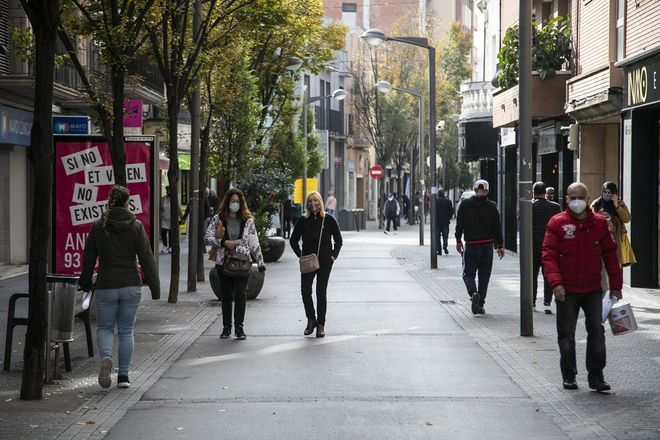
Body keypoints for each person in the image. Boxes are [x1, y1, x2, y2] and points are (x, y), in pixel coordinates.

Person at [542, 182, 622, 392]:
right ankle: (569, 375)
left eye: (580, 197)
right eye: (572, 197)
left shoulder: (599, 223)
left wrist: (616, 286)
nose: (576, 201)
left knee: (596, 330)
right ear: (566, 199)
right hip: (566, 290)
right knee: (566, 334)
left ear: (588, 199)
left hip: (592, 289)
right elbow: (548, 256)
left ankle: (596, 377)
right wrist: (556, 284)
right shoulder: (557, 223)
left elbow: (611, 256)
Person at [79, 185, 160, 389]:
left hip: (106, 284)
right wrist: (155, 286)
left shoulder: (98, 226)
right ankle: (123, 377)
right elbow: (146, 258)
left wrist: (86, 282)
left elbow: (88, 258)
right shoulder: (136, 226)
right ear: (127, 202)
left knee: (105, 327)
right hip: (131, 284)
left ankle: (106, 357)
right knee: (126, 331)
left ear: (109, 202)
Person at [205, 189, 266, 340]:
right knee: (226, 296)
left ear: (241, 203)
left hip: (242, 262)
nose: (235, 204)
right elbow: (207, 237)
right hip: (223, 261)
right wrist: (222, 242)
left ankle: (239, 328)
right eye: (232, 201)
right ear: (227, 201)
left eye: (237, 201)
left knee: (240, 294)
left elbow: (254, 242)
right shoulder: (218, 218)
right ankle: (226, 328)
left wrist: (260, 262)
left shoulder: (248, 220)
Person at [290, 191, 343, 338]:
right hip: (308, 261)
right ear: (307, 204)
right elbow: (293, 240)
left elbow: (339, 240)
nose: (313, 204)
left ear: (320, 202)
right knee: (305, 291)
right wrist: (300, 255)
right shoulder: (302, 220)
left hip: (325, 261)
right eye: (310, 201)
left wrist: (333, 255)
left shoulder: (329, 219)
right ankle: (311, 319)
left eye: (316, 201)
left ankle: (321, 325)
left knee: (321, 292)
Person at [455, 179, 504, 315]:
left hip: (471, 245)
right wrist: (500, 245)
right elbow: (497, 228)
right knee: (484, 276)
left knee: (468, 274)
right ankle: (480, 304)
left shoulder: (465, 205)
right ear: (487, 191)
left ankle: (473, 293)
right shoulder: (492, 206)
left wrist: (458, 241)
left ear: (475, 189)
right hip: (487, 246)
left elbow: (459, 224)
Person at [532, 182, 561, 314]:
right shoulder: (555, 207)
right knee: (548, 275)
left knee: (532, 275)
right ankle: (547, 303)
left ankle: (531, 302)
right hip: (550, 247)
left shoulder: (530, 207)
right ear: (545, 192)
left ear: (534, 192)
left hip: (533, 247)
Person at [591, 181, 635, 267]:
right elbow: (590, 220)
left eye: (610, 192)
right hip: (600, 239)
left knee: (614, 265)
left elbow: (627, 219)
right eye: (605, 192)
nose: (607, 194)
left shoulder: (619, 203)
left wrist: (616, 206)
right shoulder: (596, 204)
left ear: (614, 193)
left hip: (616, 239)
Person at [435, 188, 454, 255]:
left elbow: (433, 212)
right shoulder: (448, 201)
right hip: (445, 222)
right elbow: (451, 211)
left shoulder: (435, 201)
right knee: (445, 236)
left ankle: (439, 250)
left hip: (437, 222)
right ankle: (445, 246)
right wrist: (448, 218)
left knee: (437, 236)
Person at [160, 186, 172, 253]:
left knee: (171, 233)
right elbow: (160, 208)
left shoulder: (174, 199)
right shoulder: (163, 199)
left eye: (169, 191)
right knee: (163, 232)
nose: (168, 192)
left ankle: (170, 246)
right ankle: (164, 245)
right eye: (167, 191)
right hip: (164, 218)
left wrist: (182, 217)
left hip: (171, 219)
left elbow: (178, 208)